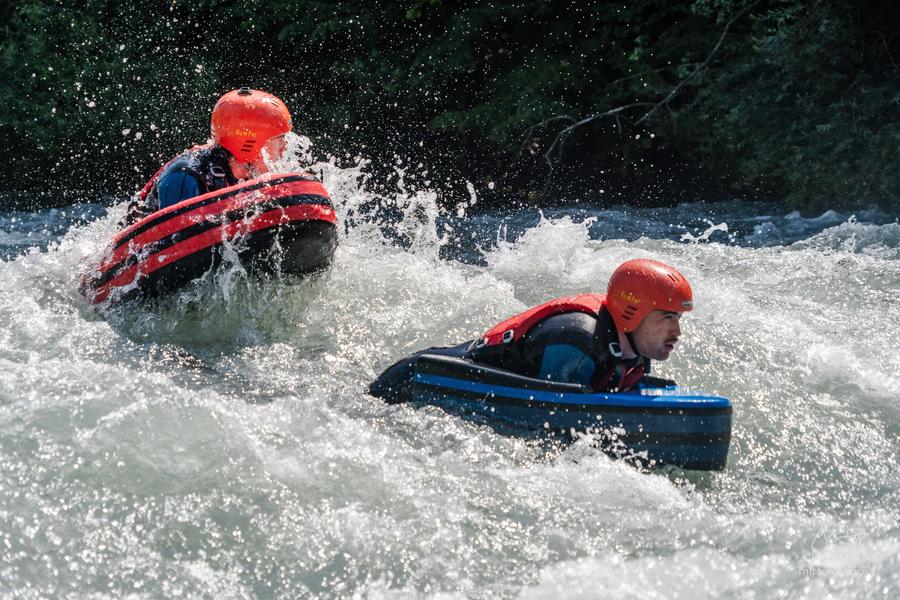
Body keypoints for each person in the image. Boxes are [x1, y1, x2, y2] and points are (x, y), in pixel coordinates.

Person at [369, 258, 693, 403]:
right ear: (633, 313)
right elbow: (552, 420)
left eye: (679, 318)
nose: (677, 331)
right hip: (409, 380)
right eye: (668, 318)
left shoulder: (636, 348)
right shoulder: (578, 344)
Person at [120, 87, 293, 227]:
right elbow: (174, 245)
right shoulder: (185, 177)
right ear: (251, 143)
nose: (284, 148)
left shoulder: (245, 172)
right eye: (279, 140)